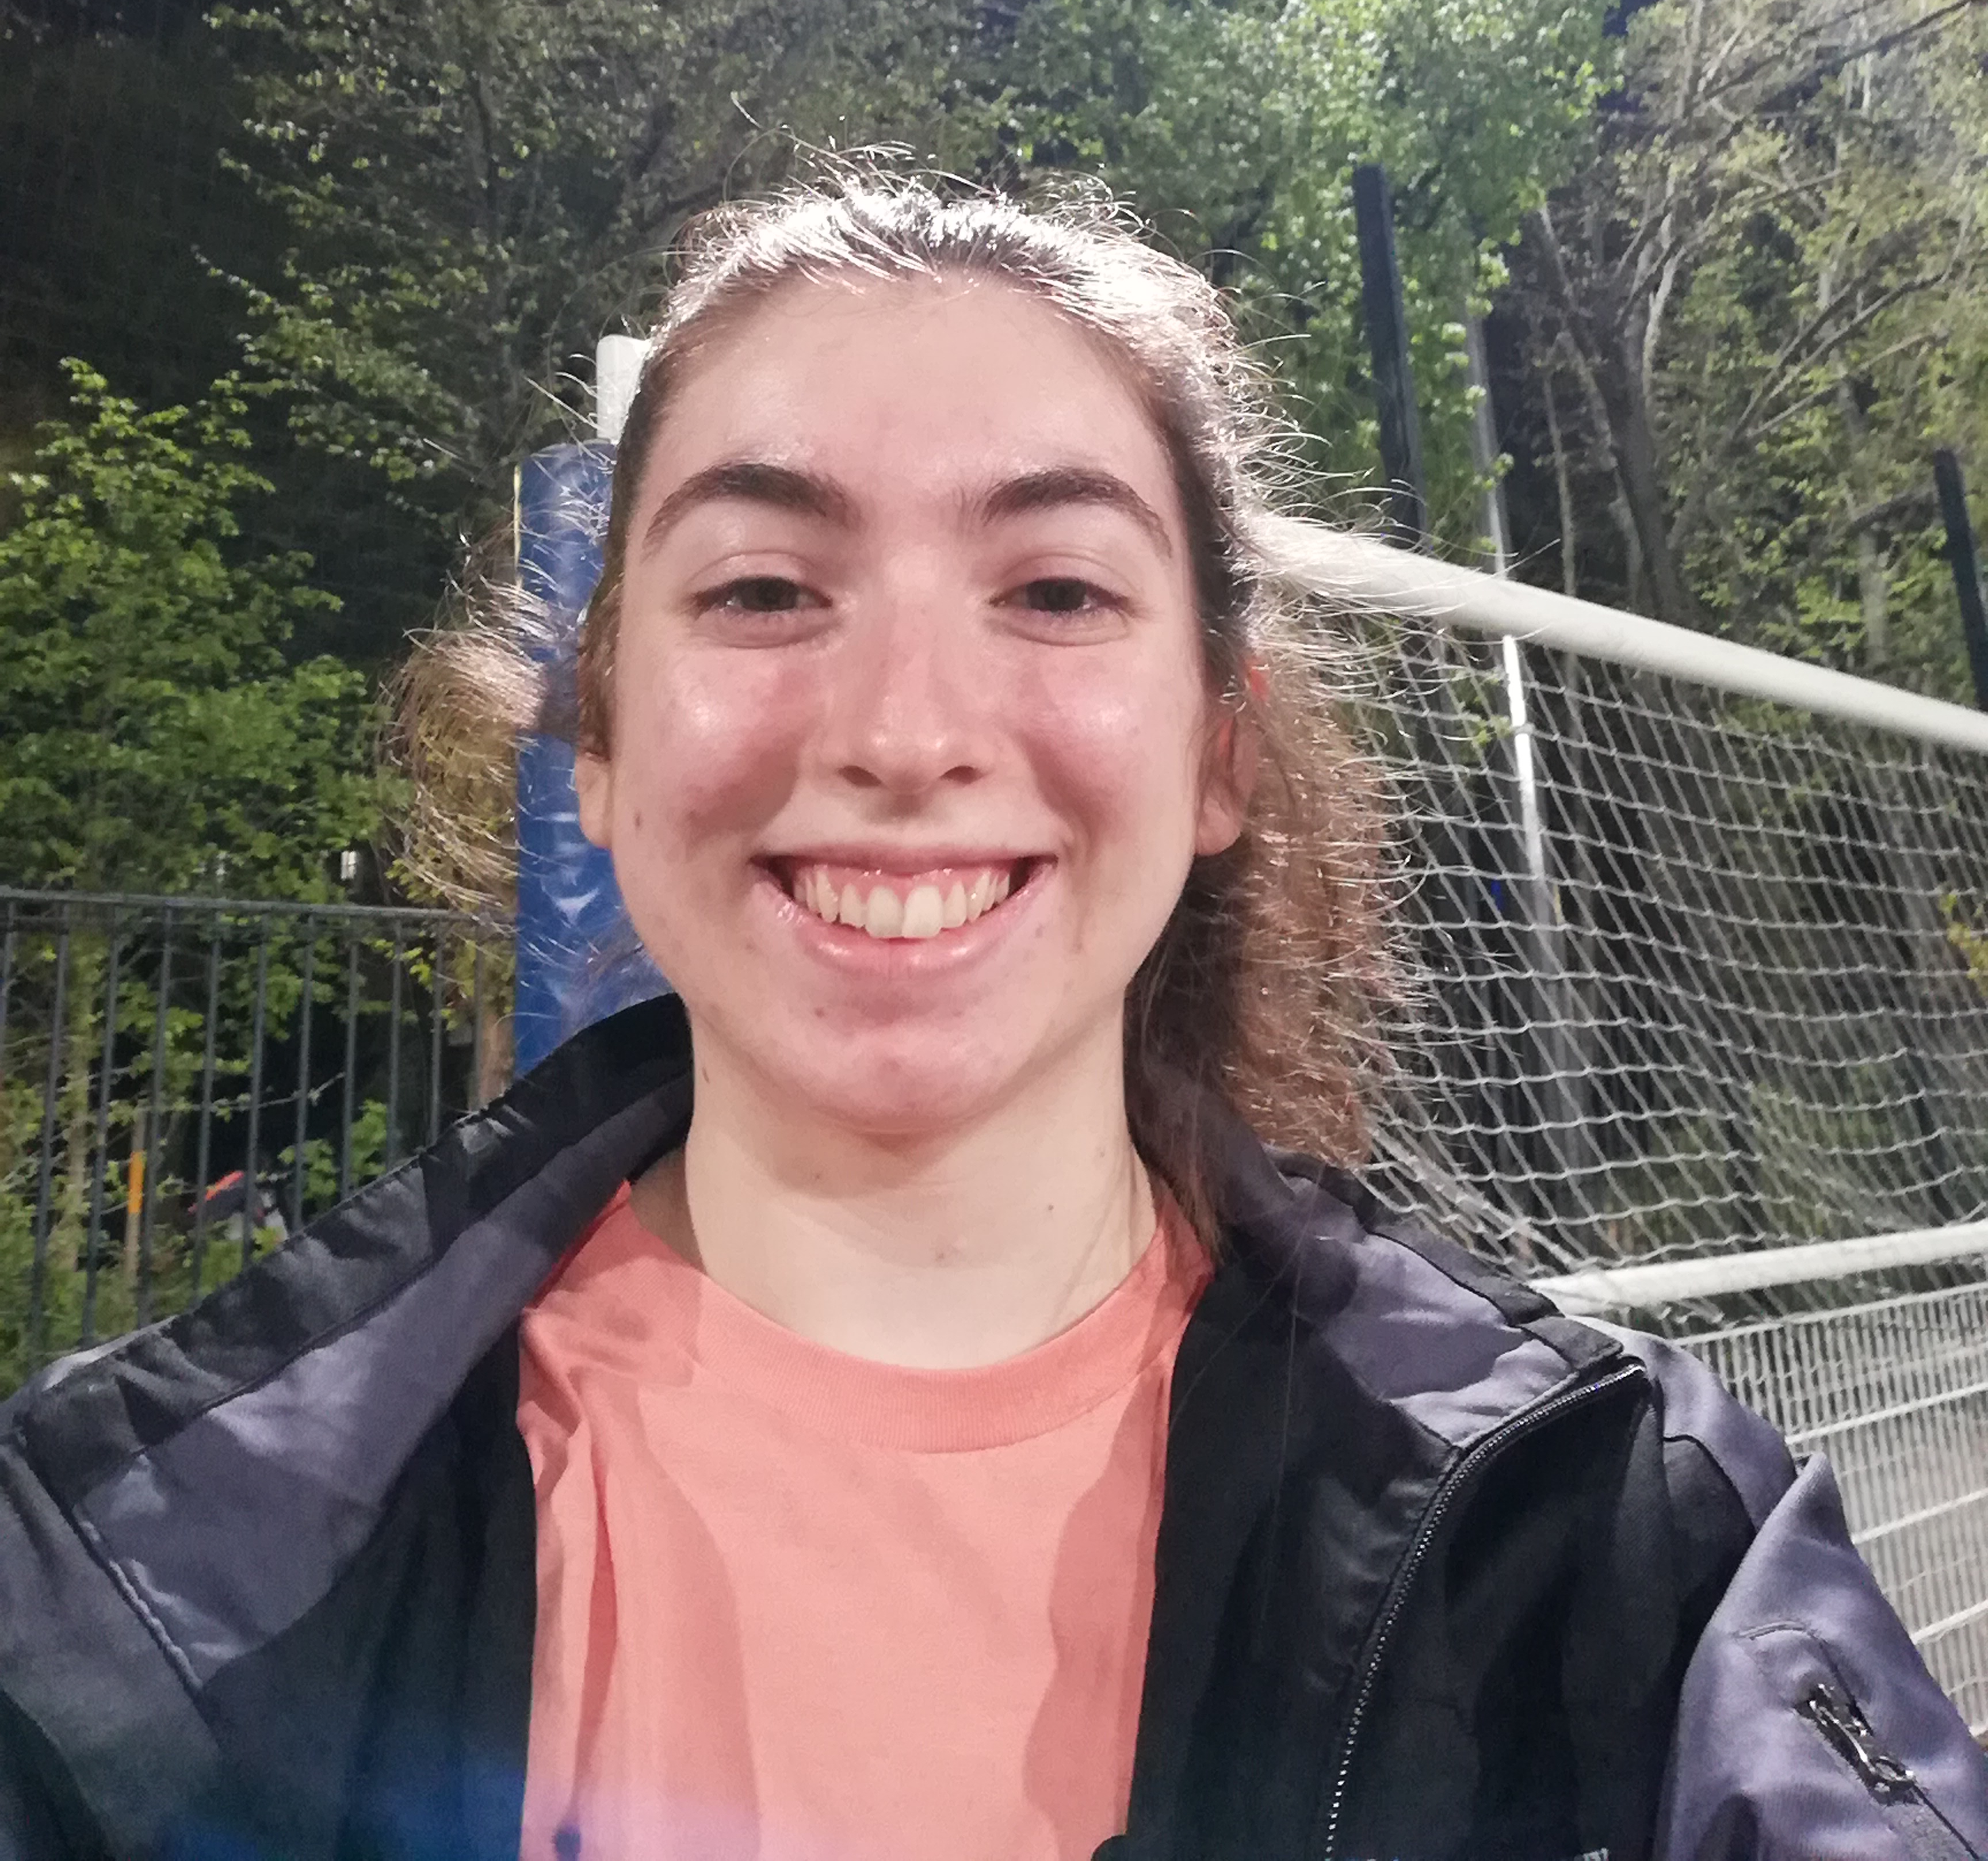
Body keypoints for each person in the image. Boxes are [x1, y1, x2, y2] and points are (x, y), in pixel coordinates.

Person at [1, 178, 1983, 1861]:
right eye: (763, 588)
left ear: (1218, 753)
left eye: (1054, 592)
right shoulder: (116, 1581)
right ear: (596, 745)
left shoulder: (1627, 1556)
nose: (904, 734)